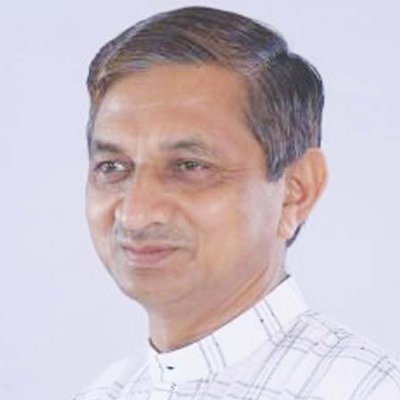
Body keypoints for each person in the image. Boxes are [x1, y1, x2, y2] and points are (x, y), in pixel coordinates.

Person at [75, 6, 400, 400]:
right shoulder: (108, 391)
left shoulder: (361, 390)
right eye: (112, 167)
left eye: (190, 166)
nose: (135, 213)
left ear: (296, 190)